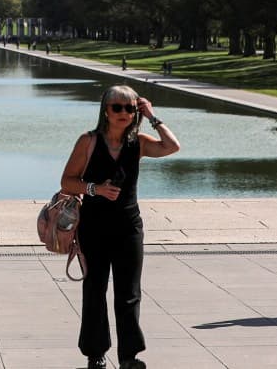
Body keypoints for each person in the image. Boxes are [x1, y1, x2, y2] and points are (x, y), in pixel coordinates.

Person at [60, 85, 180, 369]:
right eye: (117, 107)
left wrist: (151, 116)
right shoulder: (88, 141)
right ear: (105, 110)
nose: (124, 113)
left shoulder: (137, 143)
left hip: (129, 227)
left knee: (129, 293)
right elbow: (67, 181)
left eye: (130, 108)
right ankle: (95, 353)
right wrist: (95, 189)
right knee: (95, 290)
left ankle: (129, 356)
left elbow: (172, 146)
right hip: (94, 227)